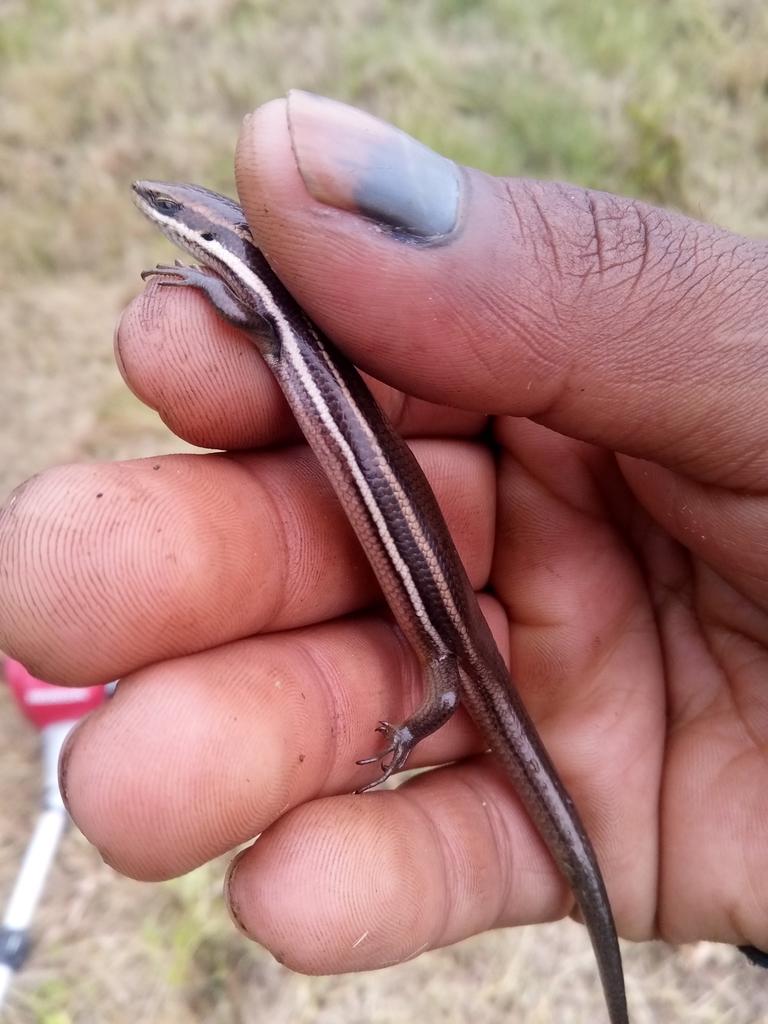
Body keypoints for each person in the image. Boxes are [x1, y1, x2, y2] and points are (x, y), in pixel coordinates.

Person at [1, 91, 767, 972]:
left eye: (176, 215)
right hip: (432, 583)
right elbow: (259, 324)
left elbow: (252, 318)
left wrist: (409, 738)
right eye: (173, 212)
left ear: (214, 243)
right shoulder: (274, 318)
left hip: (446, 628)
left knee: (445, 678)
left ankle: (421, 736)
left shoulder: (262, 309)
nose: (165, 213)